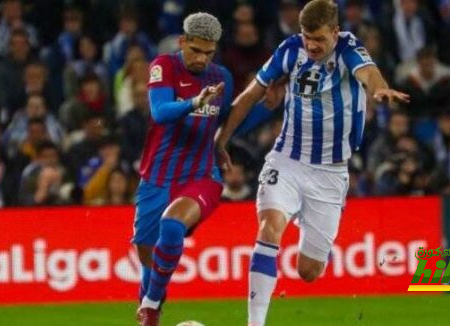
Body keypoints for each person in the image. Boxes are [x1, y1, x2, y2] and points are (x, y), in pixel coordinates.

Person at [215, 1, 409, 325]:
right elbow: (250, 95)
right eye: (307, 37)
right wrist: (221, 138)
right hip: (287, 159)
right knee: (269, 228)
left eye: (319, 38)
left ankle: (316, 235)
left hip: (330, 173)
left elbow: (369, 73)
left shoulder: (348, 48)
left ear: (335, 32)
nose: (313, 45)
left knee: (309, 272)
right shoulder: (290, 50)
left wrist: (381, 88)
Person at [134, 13, 282, 326]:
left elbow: (228, 122)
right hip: (156, 179)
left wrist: (266, 109)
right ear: (182, 42)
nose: (202, 58)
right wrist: (193, 103)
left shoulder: (222, 78)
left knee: (173, 227)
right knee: (149, 264)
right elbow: (160, 112)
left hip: (202, 176)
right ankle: (151, 306)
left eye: (209, 52)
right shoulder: (164, 65)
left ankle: (150, 305)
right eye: (196, 50)